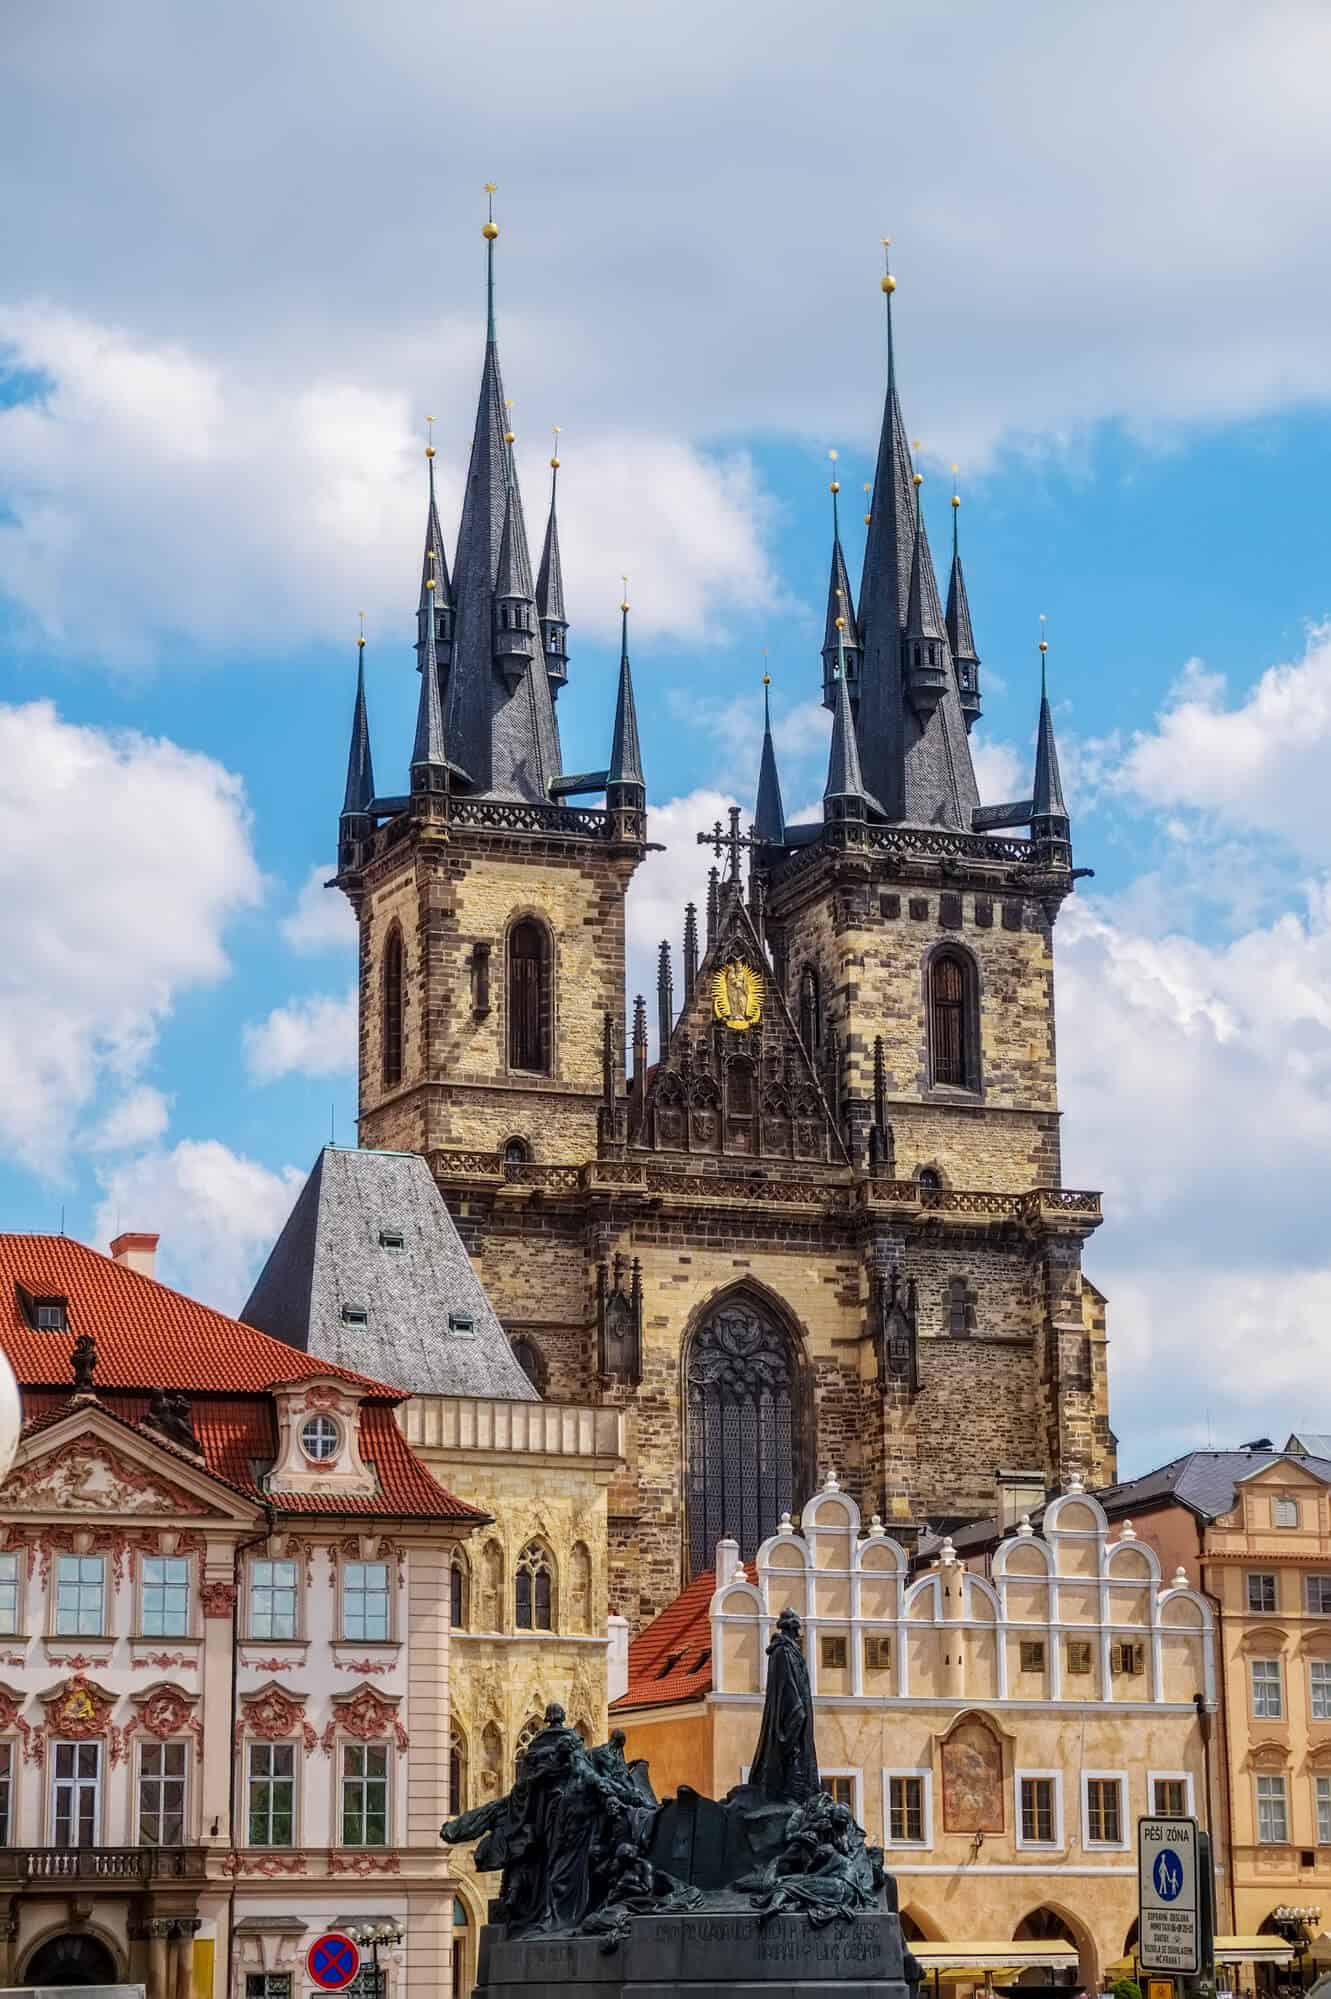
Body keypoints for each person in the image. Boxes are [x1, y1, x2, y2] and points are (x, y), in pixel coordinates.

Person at [748, 1606, 820, 1802]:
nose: (798, 1634)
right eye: (795, 1630)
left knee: (799, 1760)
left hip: (797, 1717)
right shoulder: (783, 1652)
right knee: (792, 1759)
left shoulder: (789, 1652)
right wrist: (796, 1715)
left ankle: (797, 1794)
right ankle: (789, 1794)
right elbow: (788, 1688)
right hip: (790, 1718)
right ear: (790, 1629)